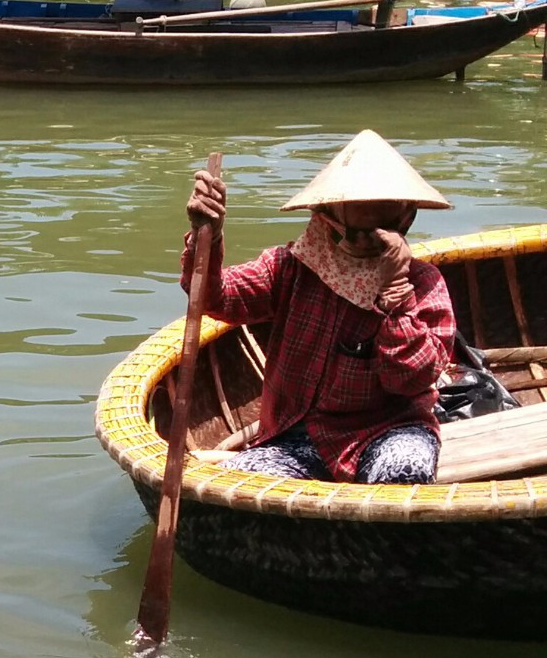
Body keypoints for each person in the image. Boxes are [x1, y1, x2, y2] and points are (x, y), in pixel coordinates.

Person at [182, 128, 456, 485]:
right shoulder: (290, 268)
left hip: (389, 431)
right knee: (244, 485)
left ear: (406, 221)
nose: (367, 245)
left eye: (382, 232)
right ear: (326, 219)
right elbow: (212, 297)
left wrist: (395, 294)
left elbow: (409, 381)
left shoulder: (422, 284)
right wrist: (209, 236)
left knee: (405, 471)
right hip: (295, 436)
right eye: (355, 233)